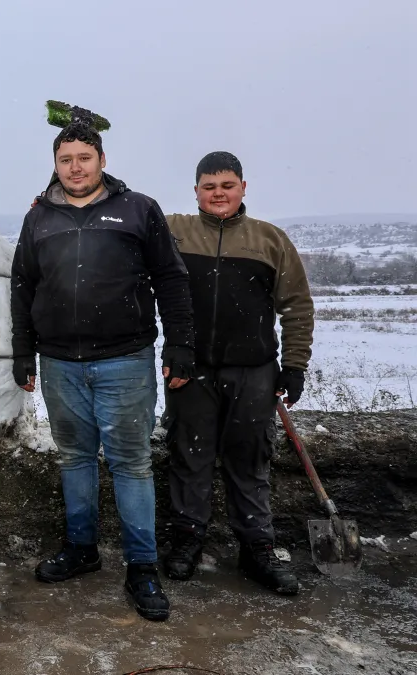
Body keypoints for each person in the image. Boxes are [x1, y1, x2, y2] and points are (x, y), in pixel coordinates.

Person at [11, 116, 195, 622]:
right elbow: (23, 285)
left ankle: (142, 565)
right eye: (66, 159)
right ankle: (81, 548)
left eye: (84, 158)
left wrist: (180, 344)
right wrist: (23, 351)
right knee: (74, 458)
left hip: (125, 360)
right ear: (55, 164)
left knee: (130, 462)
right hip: (60, 363)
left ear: (102, 160)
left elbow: (172, 280)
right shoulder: (39, 218)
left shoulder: (138, 210)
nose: (75, 167)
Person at [161, 151, 313, 595]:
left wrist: (295, 366)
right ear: (196, 192)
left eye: (227, 185)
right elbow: (120, 210)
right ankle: (188, 539)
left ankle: (257, 548)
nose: (218, 194)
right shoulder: (174, 231)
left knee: (250, 460)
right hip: (190, 369)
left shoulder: (270, 239)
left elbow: (297, 306)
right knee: (189, 456)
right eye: (209, 187)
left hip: (254, 371)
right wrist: (50, 198)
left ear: (243, 188)